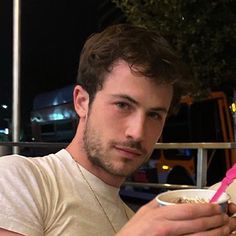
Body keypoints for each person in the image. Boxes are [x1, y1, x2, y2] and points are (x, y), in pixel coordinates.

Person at [0, 24, 236, 236]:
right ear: (82, 101)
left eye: (154, 114)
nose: (137, 132)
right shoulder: (21, 179)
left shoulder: (131, 218)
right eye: (123, 105)